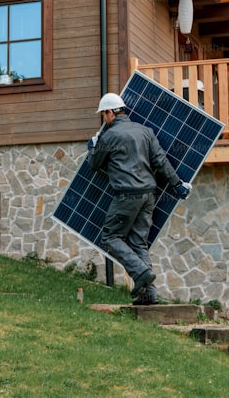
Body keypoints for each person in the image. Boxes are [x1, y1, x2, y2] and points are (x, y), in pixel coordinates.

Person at [88, 92, 192, 305]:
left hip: (127, 195)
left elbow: (94, 165)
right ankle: (149, 294)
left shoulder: (109, 137)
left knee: (110, 237)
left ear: (110, 112)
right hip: (148, 195)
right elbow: (161, 161)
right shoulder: (146, 131)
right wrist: (177, 185)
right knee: (138, 243)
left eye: (103, 115)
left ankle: (140, 272)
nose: (103, 120)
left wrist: (92, 147)